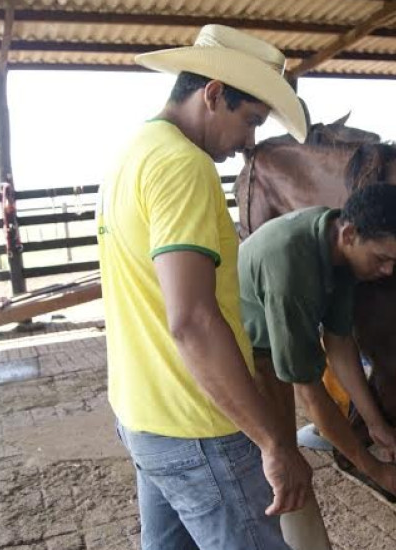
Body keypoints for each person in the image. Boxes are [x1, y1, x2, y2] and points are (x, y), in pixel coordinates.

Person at [97, 24, 313, 550]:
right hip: (197, 424)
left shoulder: (133, 151)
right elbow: (192, 320)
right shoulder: (182, 166)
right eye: (250, 121)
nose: (250, 142)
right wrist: (273, 440)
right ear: (213, 93)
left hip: (143, 415)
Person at [239, 184, 396, 549]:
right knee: (276, 466)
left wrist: (376, 425)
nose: (388, 271)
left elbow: (340, 343)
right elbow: (309, 392)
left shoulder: (340, 248)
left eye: (395, 261)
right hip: (246, 355)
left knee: (286, 463)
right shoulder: (292, 263)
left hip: (274, 346)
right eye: (382, 258)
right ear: (350, 234)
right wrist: (373, 470)